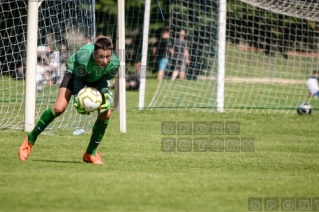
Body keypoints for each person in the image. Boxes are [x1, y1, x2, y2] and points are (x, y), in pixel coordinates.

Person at [18, 37, 120, 164]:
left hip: (95, 78)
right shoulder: (83, 57)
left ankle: (90, 153)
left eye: (108, 56)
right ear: (94, 53)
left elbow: (102, 80)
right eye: (100, 56)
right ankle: (30, 140)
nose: (105, 61)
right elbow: (78, 79)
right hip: (75, 73)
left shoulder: (114, 64)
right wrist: (78, 98)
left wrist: (105, 94)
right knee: (59, 108)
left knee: (106, 113)